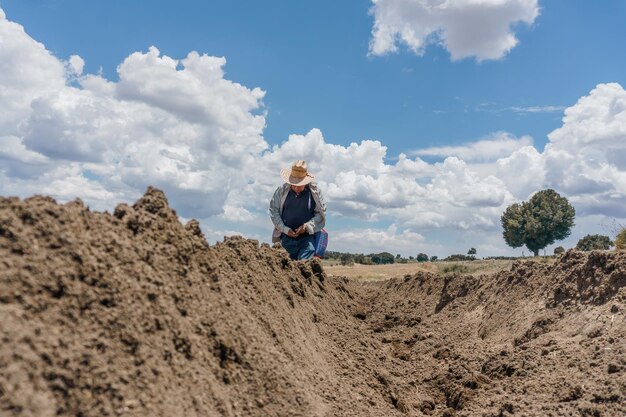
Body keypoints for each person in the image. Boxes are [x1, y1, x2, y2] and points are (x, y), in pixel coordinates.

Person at [269, 160, 326, 260]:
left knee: (304, 266)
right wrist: (285, 230)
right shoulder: (281, 191)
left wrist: (306, 226)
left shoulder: (314, 193)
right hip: (286, 238)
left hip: (307, 237)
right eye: (293, 184)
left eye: (299, 184)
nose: (295, 187)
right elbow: (274, 211)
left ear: (305, 182)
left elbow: (320, 214)